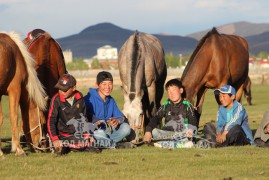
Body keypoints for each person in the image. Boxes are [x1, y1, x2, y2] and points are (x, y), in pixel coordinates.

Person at [47, 74, 100, 154]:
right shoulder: (56, 100)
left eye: (64, 90)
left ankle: (72, 147)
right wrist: (55, 139)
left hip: (77, 134)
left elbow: (83, 118)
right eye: (59, 89)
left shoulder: (79, 97)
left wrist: (87, 134)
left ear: (73, 88)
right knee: (63, 147)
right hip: (63, 135)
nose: (61, 92)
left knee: (93, 145)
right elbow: (51, 121)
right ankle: (66, 147)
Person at [143, 78, 198, 148]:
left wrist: (190, 129)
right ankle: (179, 145)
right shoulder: (165, 105)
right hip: (168, 133)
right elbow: (156, 118)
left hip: (183, 133)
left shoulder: (187, 105)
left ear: (181, 90)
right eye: (169, 91)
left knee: (188, 135)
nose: (172, 93)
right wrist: (148, 131)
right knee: (154, 132)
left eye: (174, 90)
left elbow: (192, 119)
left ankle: (165, 144)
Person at [84, 71, 133, 148]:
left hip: (110, 131)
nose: (107, 87)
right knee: (99, 133)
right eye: (104, 84)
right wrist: (95, 122)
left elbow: (122, 117)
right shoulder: (88, 99)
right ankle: (116, 145)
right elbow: (83, 117)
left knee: (126, 128)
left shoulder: (111, 100)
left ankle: (104, 143)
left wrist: (117, 121)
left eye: (110, 84)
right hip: (96, 131)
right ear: (97, 85)